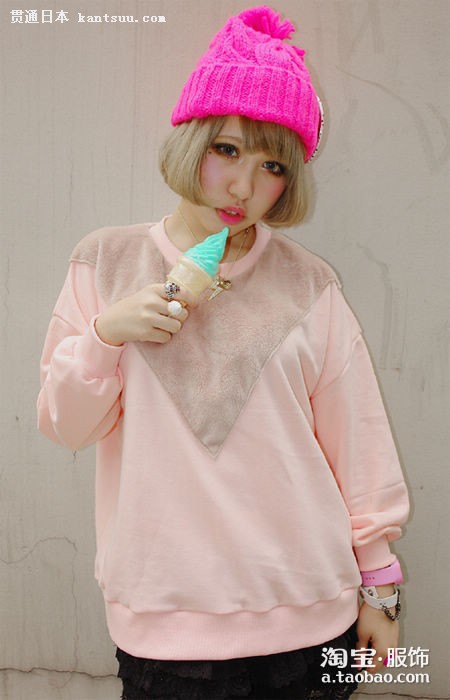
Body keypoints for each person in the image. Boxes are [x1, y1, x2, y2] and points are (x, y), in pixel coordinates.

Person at [37, 6, 409, 699]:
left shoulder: (310, 284)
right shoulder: (104, 262)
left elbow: (358, 443)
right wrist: (107, 335)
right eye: (227, 150)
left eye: (272, 165)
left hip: (311, 619)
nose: (243, 187)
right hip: (165, 629)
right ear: (191, 140)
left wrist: (380, 591)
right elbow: (66, 426)